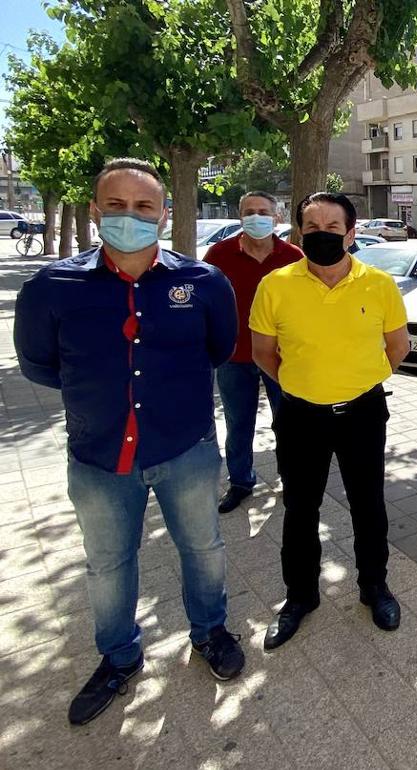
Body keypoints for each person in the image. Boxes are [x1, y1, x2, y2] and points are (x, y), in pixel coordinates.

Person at [13, 158, 246, 725]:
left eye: (144, 207)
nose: (130, 217)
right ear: (95, 212)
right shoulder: (52, 288)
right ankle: (118, 658)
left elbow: (218, 350)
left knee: (203, 549)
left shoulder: (203, 284)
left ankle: (209, 632)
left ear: (163, 215)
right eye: (115, 206)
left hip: (184, 448)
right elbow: (41, 366)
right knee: (108, 564)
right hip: (99, 457)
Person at [250, 191, 410, 649]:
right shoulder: (275, 286)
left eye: (333, 229)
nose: (322, 236)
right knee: (300, 509)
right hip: (301, 416)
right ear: (300, 233)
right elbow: (263, 353)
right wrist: (306, 385)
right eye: (312, 229)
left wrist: (358, 381)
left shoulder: (378, 284)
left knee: (369, 505)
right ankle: (300, 597)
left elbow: (398, 347)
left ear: (351, 233)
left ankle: (374, 588)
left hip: (363, 413)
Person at [205, 191, 303, 513]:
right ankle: (240, 482)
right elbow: (206, 304)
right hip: (234, 358)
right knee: (238, 423)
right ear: (240, 216)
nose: (256, 217)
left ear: (276, 217)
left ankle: (292, 482)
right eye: (250, 211)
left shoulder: (293, 257)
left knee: (288, 424)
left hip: (281, 358)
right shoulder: (219, 255)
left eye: (263, 211)